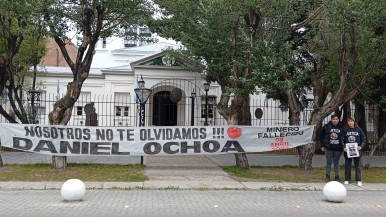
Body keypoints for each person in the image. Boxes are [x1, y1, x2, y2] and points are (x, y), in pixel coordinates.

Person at [341, 117, 366, 187]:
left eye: (351, 121)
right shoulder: (345, 130)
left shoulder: (359, 130)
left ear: (354, 122)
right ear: (347, 122)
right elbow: (342, 139)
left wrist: (361, 146)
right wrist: (344, 147)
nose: (350, 123)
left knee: (357, 165)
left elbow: (364, 139)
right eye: (349, 121)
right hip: (348, 151)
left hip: (357, 150)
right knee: (347, 165)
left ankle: (359, 180)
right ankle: (347, 179)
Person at [319, 115, 343, 182]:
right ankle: (327, 176)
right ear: (331, 120)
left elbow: (344, 138)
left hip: (338, 148)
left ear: (338, 120)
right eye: (333, 119)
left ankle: (337, 176)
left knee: (336, 163)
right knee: (328, 162)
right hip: (328, 148)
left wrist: (343, 147)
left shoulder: (342, 127)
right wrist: (322, 146)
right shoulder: (326, 127)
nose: (335, 120)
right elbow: (321, 137)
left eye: (336, 119)